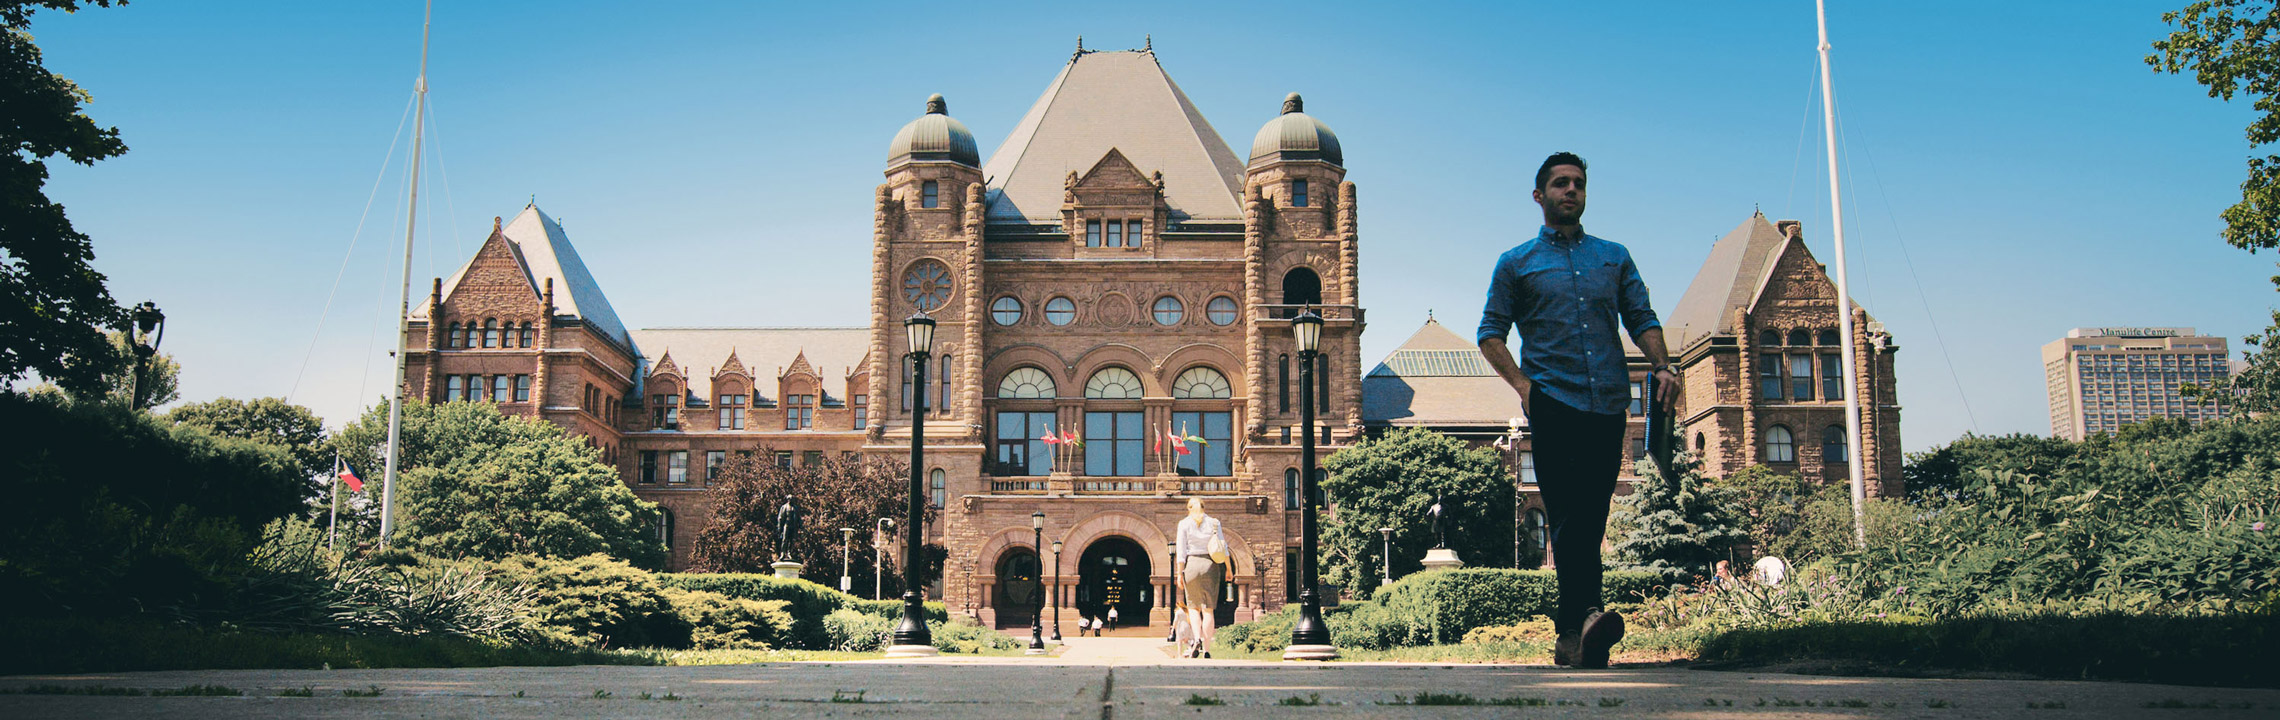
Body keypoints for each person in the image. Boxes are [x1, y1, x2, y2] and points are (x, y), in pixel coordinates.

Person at [1479, 152, 1677, 670]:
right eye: (1561, 184)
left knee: (1591, 514)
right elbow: (1490, 334)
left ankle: (1571, 634)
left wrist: (1664, 365)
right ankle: (1587, 615)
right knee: (1570, 514)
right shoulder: (1516, 262)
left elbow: (1642, 316)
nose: (1572, 191)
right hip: (1554, 402)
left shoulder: (1613, 257)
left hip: (1609, 403)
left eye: (1579, 184)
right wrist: (1524, 388)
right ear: (1539, 196)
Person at [1175, 497, 1229, 658]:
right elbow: (1223, 547)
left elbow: (1181, 552)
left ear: (1189, 509)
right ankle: (1206, 649)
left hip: (1192, 564)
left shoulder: (1184, 524)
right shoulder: (1214, 522)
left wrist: (1179, 573)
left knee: (1193, 607)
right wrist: (1229, 569)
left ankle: (1196, 639)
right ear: (1204, 508)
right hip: (1210, 564)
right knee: (1208, 609)